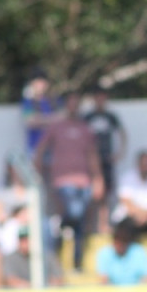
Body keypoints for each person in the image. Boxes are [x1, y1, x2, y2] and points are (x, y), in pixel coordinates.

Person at [35, 92, 104, 272]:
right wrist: (38, 173)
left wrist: (98, 179)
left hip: (84, 182)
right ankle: (61, 232)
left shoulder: (85, 128)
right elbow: (41, 150)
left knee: (80, 221)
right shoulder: (56, 127)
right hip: (62, 181)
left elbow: (92, 155)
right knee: (75, 212)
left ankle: (76, 260)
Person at [84, 88, 127, 233]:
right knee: (91, 194)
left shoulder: (110, 117)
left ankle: (103, 225)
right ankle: (89, 225)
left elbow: (122, 133)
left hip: (106, 160)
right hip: (91, 161)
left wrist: (119, 153)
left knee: (106, 194)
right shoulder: (88, 117)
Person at [3, 224, 65, 288]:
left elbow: (58, 279)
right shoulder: (10, 258)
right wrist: (35, 288)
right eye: (22, 240)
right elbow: (11, 281)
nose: (25, 243)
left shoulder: (48, 256)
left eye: (27, 239)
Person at [96, 219, 147, 286]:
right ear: (114, 241)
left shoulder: (139, 251)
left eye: (124, 241)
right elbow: (103, 280)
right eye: (118, 241)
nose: (121, 245)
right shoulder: (105, 253)